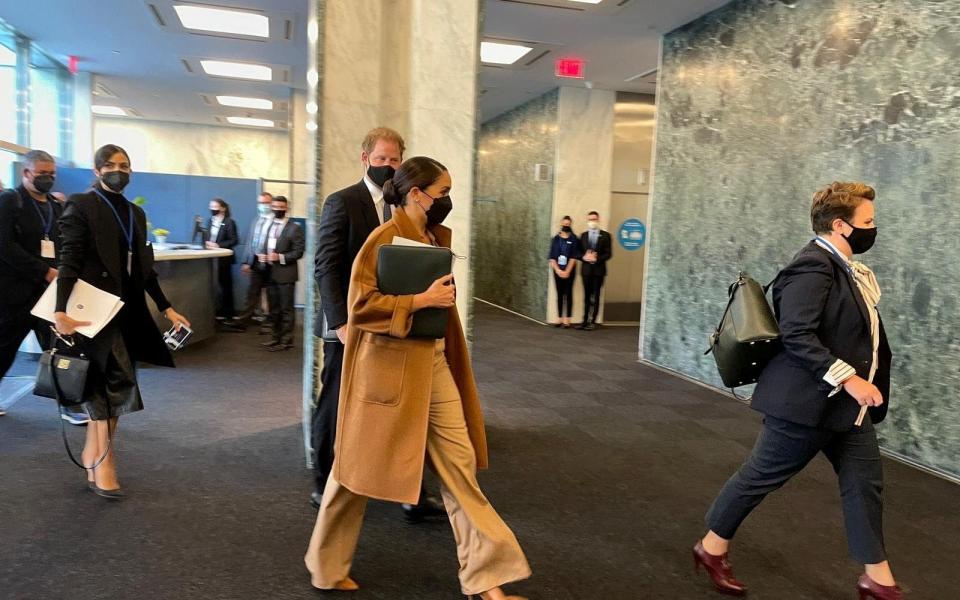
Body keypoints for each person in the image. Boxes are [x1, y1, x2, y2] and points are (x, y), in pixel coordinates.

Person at [304, 156, 531, 600]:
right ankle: (326, 566)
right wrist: (420, 300)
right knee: (354, 474)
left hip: (433, 363)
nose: (447, 201)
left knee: (459, 467)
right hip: (388, 373)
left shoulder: (431, 237)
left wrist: (432, 302)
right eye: (442, 193)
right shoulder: (382, 240)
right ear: (416, 194)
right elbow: (361, 307)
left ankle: (486, 579)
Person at [693, 182, 900, 600]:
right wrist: (851, 379)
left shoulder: (843, 267)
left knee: (864, 485)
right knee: (761, 476)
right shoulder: (813, 267)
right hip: (806, 405)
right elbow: (797, 335)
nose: (874, 229)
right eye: (868, 222)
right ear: (840, 225)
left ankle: (878, 580)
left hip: (846, 409)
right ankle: (711, 547)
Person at [311, 127, 445, 522]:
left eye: (395, 159)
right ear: (364, 157)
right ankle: (322, 480)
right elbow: (326, 266)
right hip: (349, 326)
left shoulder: (411, 205)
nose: (388, 166)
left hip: (398, 322)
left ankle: (412, 492)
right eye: (381, 158)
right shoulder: (343, 202)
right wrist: (340, 323)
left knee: (407, 407)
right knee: (336, 403)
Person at [53, 144, 190, 499]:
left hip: (127, 310)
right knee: (108, 383)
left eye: (125, 165)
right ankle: (104, 460)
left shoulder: (133, 213)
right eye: (111, 165)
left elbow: (143, 267)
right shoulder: (81, 204)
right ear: (97, 170)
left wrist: (166, 308)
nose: (119, 171)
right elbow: (68, 258)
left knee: (119, 383)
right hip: (91, 311)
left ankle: (93, 452)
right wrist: (59, 310)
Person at [0, 150, 87, 424]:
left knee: (64, 347)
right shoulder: (9, 201)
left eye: (52, 174)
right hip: (14, 293)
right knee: (3, 349)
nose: (48, 178)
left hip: (50, 293)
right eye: (42, 174)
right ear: (26, 173)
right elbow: (4, 246)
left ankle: (69, 405)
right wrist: (43, 270)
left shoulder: (56, 206)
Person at [256, 196, 303, 352]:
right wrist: (263, 255)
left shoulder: (294, 228)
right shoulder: (269, 225)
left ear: (286, 208)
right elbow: (266, 246)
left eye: (281, 207)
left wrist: (280, 257)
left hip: (286, 274)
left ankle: (287, 340)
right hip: (270, 273)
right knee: (274, 309)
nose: (277, 209)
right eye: (275, 206)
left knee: (286, 309)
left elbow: (298, 252)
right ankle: (275, 338)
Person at [238, 191, 274, 331]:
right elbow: (250, 242)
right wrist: (246, 261)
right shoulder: (257, 220)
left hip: (271, 264)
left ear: (271, 204)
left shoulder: (275, 221)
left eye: (266, 203)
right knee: (252, 293)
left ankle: (270, 322)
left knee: (271, 295)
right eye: (261, 203)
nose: (263, 205)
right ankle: (244, 321)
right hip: (256, 262)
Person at [204, 198, 239, 326]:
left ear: (223, 208)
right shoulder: (210, 221)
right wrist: (207, 243)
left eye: (215, 206)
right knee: (213, 287)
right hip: (211, 258)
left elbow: (234, 240)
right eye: (211, 206)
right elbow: (208, 237)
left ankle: (228, 315)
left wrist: (218, 245)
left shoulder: (229, 222)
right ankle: (216, 313)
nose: (212, 209)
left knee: (226, 287)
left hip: (224, 260)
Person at [577, 211, 612, 330]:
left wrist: (596, 258)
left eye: (594, 219)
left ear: (598, 220)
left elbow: (608, 254)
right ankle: (584, 320)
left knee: (596, 296)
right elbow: (578, 253)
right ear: (587, 221)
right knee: (586, 296)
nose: (592, 222)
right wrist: (584, 257)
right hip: (586, 271)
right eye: (590, 219)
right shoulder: (583, 235)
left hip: (598, 271)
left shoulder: (606, 236)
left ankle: (593, 321)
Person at [548, 215, 582, 328]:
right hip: (557, 271)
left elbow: (574, 257)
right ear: (561, 224)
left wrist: (567, 271)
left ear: (570, 225)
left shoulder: (574, 239)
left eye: (568, 224)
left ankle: (567, 319)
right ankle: (559, 318)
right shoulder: (555, 239)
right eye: (564, 224)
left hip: (570, 271)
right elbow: (552, 257)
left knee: (568, 294)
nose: (566, 225)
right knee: (559, 294)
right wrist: (557, 270)